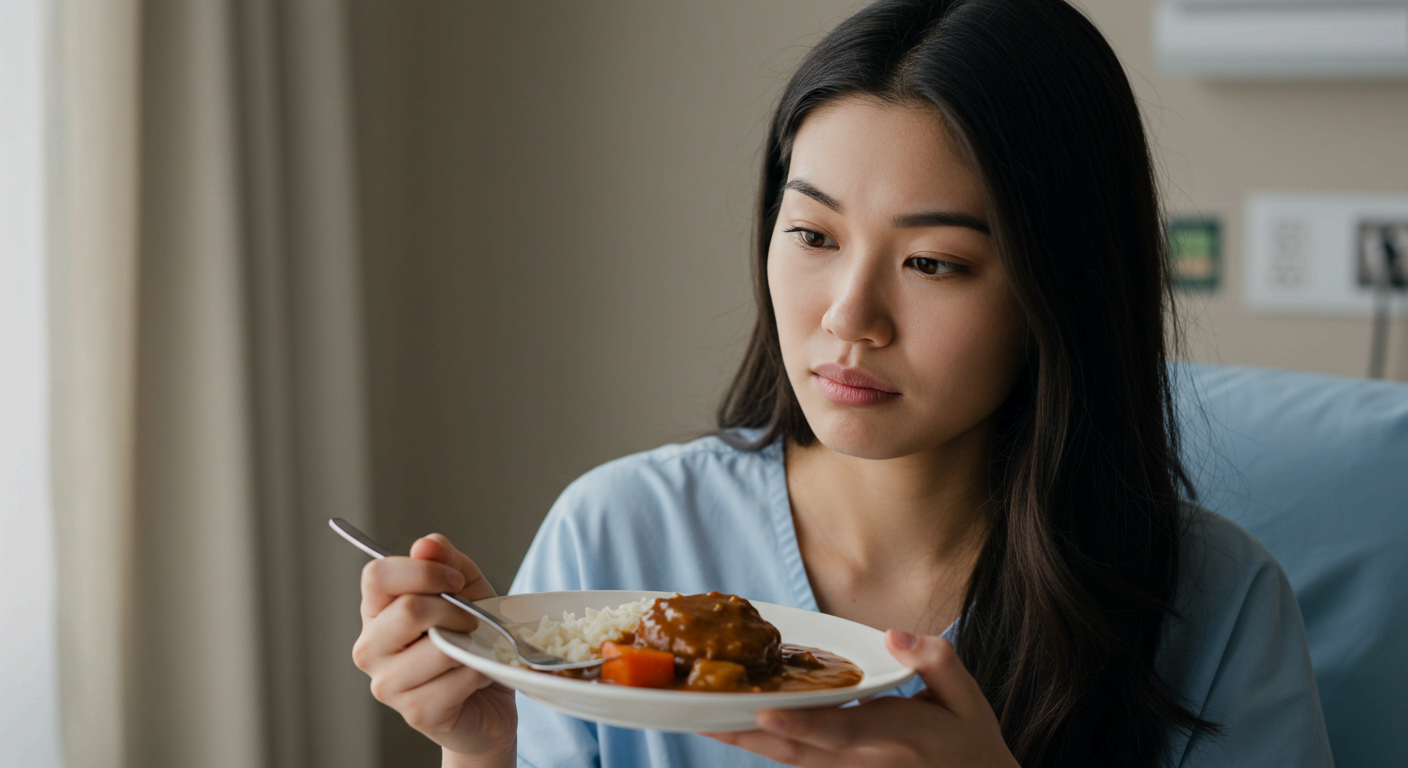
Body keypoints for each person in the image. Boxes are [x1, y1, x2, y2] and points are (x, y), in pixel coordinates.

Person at [351, 1, 1334, 766]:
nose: (848, 318)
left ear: (1060, 290)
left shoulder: (1213, 605)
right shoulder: (617, 531)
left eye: (935, 262)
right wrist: (479, 749)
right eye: (813, 237)